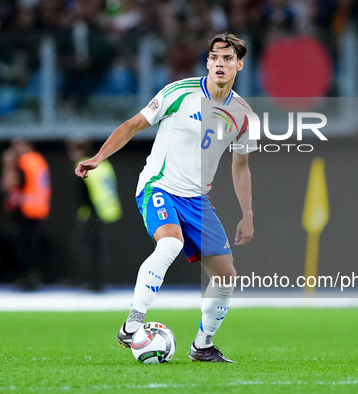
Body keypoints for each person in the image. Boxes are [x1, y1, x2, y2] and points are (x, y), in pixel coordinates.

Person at [75, 32, 255, 362]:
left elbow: (240, 166)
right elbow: (132, 125)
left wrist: (247, 213)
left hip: (197, 200)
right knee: (170, 243)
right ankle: (133, 324)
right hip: (159, 186)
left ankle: (202, 345)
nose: (219, 63)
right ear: (207, 61)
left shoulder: (243, 115)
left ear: (239, 65)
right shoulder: (179, 92)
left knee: (226, 275)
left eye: (228, 58)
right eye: (214, 57)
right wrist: (99, 157)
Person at [66, 137, 122, 291]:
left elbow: (84, 194)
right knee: (100, 250)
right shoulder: (103, 164)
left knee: (87, 248)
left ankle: (91, 282)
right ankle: (98, 283)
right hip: (108, 210)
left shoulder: (84, 165)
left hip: (94, 212)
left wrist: (83, 214)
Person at [0, 138, 51, 290]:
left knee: (23, 246)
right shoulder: (38, 160)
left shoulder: (25, 161)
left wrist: (7, 164)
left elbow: (10, 183)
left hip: (26, 208)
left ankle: (28, 278)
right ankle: (33, 277)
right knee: (31, 245)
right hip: (39, 207)